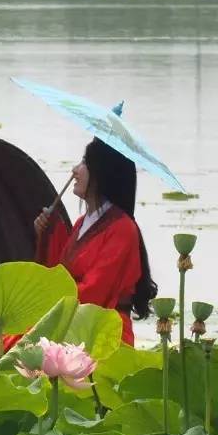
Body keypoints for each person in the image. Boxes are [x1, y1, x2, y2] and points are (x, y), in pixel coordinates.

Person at [34, 138, 158, 345]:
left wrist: (49, 305)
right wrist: (46, 234)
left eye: (84, 163)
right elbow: (60, 273)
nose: (75, 170)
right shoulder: (82, 223)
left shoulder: (123, 229)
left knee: (16, 346)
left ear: (101, 173)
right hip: (73, 324)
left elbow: (95, 291)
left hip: (103, 334)